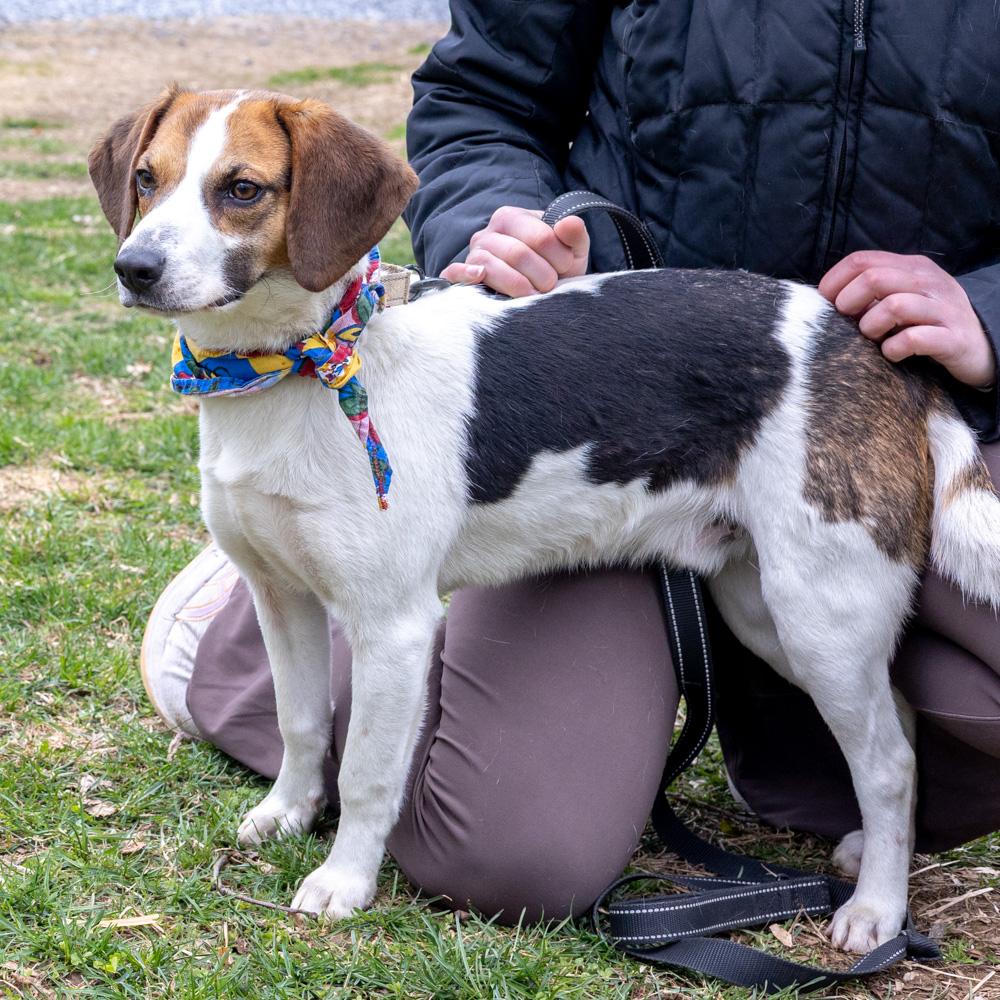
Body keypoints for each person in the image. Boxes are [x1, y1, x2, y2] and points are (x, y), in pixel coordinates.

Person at [142, 0, 1000, 922]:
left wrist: (993, 310)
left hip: (840, 394)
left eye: (233, 193)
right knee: (514, 857)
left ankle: (851, 794)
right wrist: (494, 221)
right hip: (573, 383)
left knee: (853, 662)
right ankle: (241, 610)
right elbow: (480, 90)